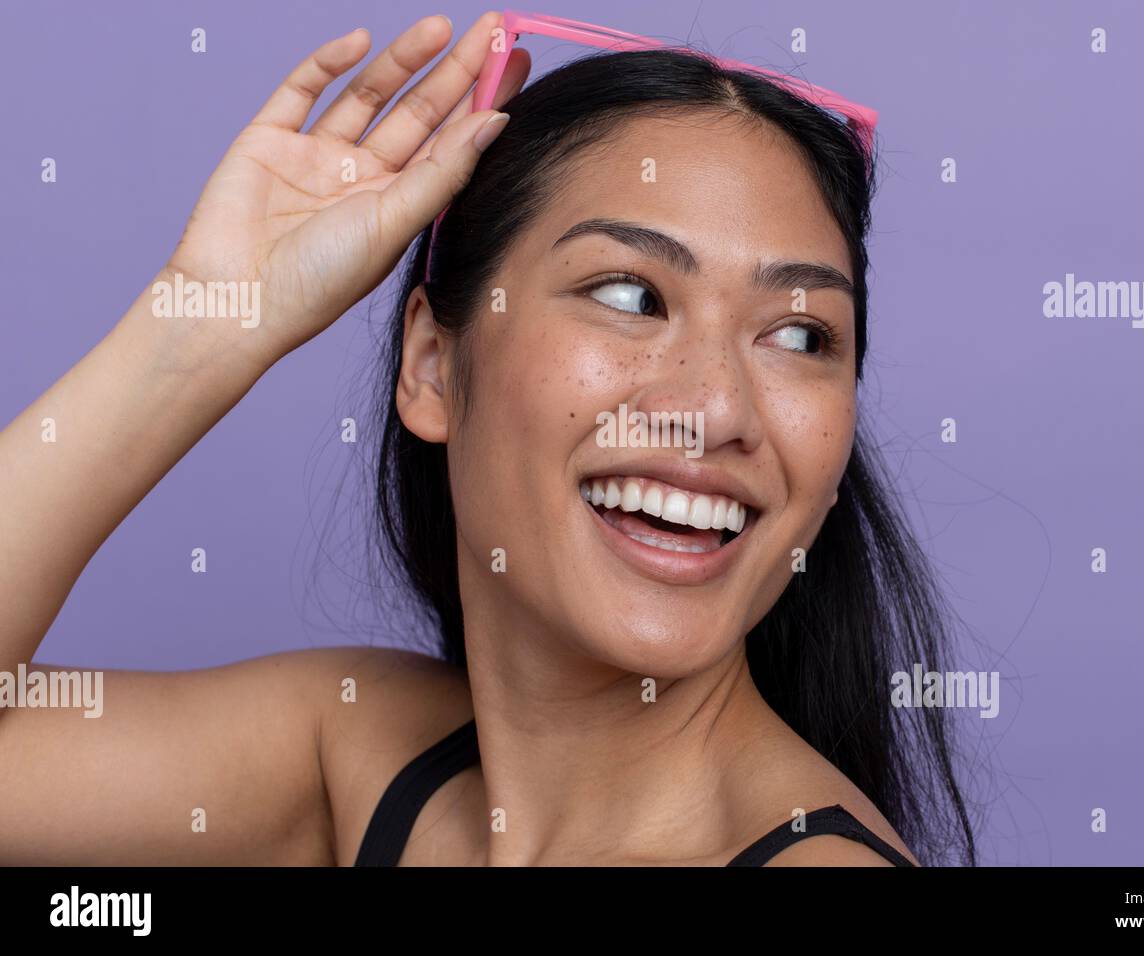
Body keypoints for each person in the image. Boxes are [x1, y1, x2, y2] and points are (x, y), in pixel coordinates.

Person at [0, 11, 975, 866]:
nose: (716, 409)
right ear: (431, 362)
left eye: (799, 334)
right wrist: (201, 331)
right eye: (632, 296)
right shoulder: (359, 755)